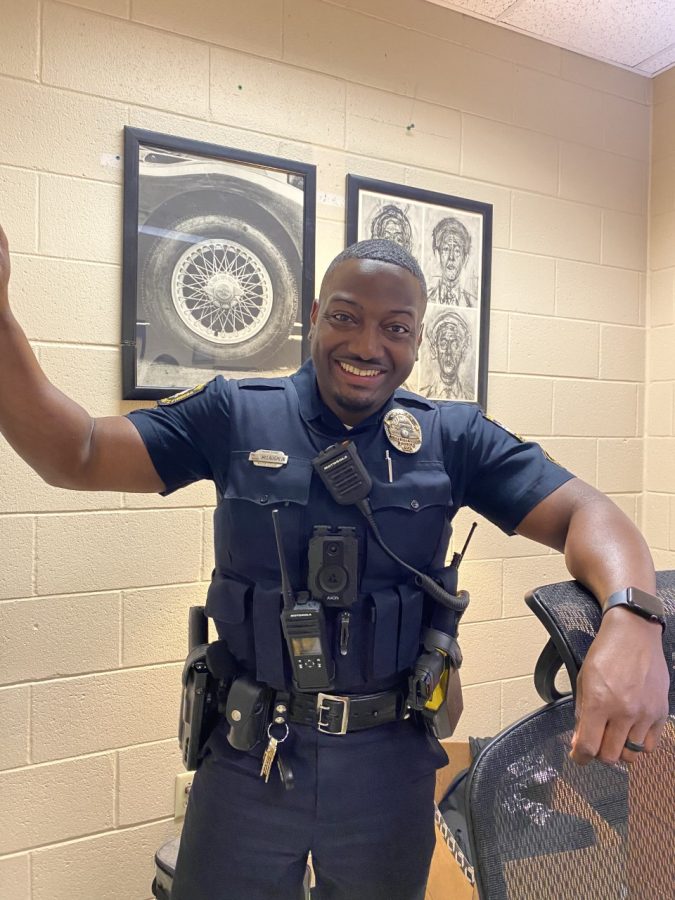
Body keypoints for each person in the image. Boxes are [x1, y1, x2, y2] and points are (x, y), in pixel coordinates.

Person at [0, 226, 669, 900]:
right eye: (346, 317)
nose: (367, 345)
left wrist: (632, 616)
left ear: (415, 338)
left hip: (389, 763)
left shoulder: (451, 436)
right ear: (315, 317)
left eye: (395, 327)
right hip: (249, 756)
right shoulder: (232, 415)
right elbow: (76, 452)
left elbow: (589, 513)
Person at [419, 309, 472, 400]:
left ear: (462, 350)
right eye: (443, 344)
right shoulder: (422, 395)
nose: (448, 352)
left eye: (454, 344)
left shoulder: (469, 397)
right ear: (435, 350)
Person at [428, 216, 477, 307]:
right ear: (437, 255)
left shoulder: (474, 303)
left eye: (457, 251)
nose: (451, 257)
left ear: (465, 259)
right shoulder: (426, 299)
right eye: (446, 249)